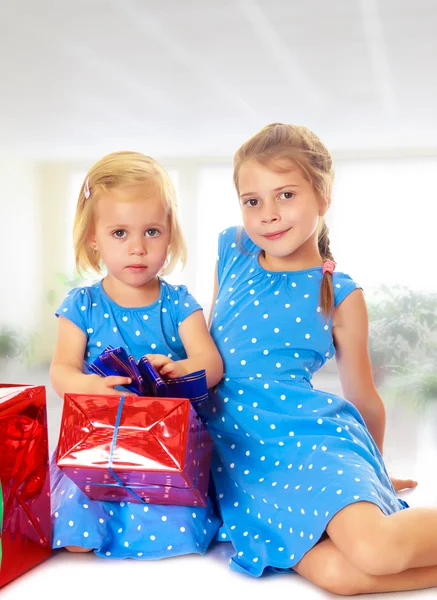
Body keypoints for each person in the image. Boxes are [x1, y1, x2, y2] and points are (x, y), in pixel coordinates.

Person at [198, 123, 437, 595]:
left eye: (285, 195)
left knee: (376, 552)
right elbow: (208, 349)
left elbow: (364, 398)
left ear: (323, 196)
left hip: (309, 442)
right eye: (253, 201)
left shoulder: (343, 296)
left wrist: (377, 473)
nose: (268, 214)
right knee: (341, 577)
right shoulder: (234, 248)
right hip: (242, 459)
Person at [50, 151, 223, 559]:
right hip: (100, 438)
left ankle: (147, 519)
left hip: (163, 443)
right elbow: (61, 369)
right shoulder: (83, 304)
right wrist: (88, 386)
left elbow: (211, 363)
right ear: (93, 237)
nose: (138, 249)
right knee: (76, 533)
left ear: (170, 234)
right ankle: (95, 521)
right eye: (119, 233)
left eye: (151, 232)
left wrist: (180, 368)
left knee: (175, 526)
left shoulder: (179, 302)